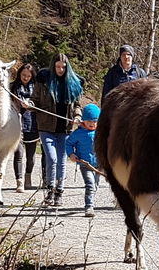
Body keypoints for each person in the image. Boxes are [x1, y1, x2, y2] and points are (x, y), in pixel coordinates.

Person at [34, 52, 83, 205]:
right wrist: (29, 104)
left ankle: (59, 191)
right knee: (52, 158)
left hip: (65, 128)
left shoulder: (74, 83)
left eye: (63, 67)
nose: (60, 69)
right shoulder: (43, 81)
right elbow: (34, 100)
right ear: (53, 66)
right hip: (46, 127)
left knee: (62, 160)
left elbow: (77, 105)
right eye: (57, 67)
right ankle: (50, 189)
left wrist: (77, 115)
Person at [66, 103, 102, 216]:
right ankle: (89, 207)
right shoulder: (78, 133)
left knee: (95, 186)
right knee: (90, 184)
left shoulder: (101, 133)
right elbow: (68, 143)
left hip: (98, 164)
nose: (92, 124)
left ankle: (91, 202)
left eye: (95, 121)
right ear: (83, 121)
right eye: (89, 121)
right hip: (84, 164)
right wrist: (71, 154)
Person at [10, 62, 39, 191]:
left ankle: (28, 176)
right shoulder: (12, 87)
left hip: (33, 124)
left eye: (28, 76)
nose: (25, 78)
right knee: (19, 154)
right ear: (19, 74)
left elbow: (40, 104)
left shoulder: (37, 89)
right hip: (17, 124)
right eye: (23, 75)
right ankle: (19, 181)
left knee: (31, 157)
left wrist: (31, 105)